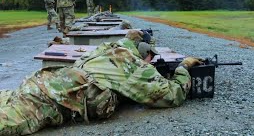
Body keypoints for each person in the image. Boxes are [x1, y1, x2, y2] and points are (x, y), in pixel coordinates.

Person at [0, 30, 202, 135]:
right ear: (141, 49)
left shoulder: (106, 49)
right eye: (150, 55)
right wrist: (183, 69)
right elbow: (172, 95)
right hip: (45, 103)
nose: (151, 60)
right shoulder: (131, 64)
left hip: (40, 83)